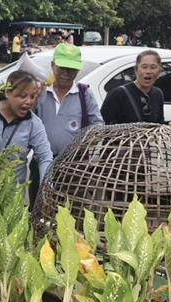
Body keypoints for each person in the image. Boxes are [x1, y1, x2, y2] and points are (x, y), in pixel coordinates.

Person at [29, 44, 104, 207]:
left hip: (74, 166)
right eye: (62, 68)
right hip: (41, 162)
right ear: (52, 65)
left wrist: (90, 138)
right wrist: (32, 100)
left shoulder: (84, 94)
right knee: (39, 209)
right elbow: (25, 119)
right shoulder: (40, 91)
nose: (66, 73)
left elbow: (98, 125)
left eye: (71, 69)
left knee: (73, 211)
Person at [0, 70, 53, 187]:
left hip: (11, 193)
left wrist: (47, 186)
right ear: (8, 92)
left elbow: (45, 157)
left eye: (33, 96)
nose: (29, 101)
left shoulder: (34, 124)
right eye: (23, 96)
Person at [101, 50, 166, 125]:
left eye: (153, 67)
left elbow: (159, 124)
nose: (148, 71)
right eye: (144, 67)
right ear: (136, 70)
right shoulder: (118, 94)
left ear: (159, 72)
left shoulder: (157, 94)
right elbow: (100, 125)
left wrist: (170, 124)